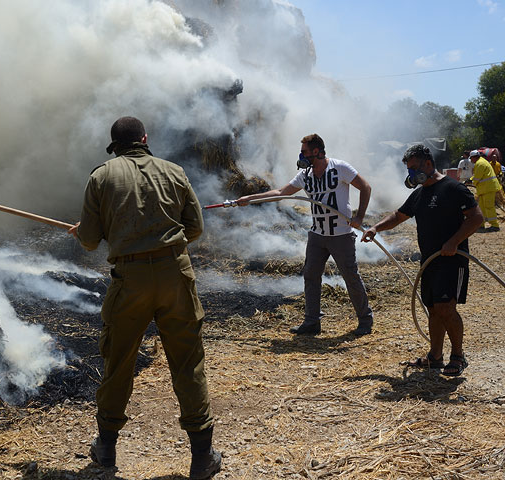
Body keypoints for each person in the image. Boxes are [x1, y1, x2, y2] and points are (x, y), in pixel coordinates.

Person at [69, 116, 221, 479]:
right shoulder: (174, 171)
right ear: (145, 139)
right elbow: (195, 228)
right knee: (187, 361)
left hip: (130, 280)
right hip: (174, 274)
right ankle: (202, 457)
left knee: (119, 360)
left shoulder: (101, 177)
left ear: (114, 145)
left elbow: (90, 239)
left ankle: (105, 449)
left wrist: (88, 232)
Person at [362, 144, 483, 376]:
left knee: (446, 308)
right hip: (429, 261)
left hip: (452, 259)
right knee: (433, 310)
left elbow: (476, 217)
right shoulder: (419, 194)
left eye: (414, 168)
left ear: (428, 164)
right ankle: (435, 357)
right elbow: (399, 215)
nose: (411, 174)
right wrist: (376, 228)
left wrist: (454, 241)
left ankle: (458, 356)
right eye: (408, 170)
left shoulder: (453, 188)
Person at [236, 133, 374, 336]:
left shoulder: (340, 168)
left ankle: (365, 320)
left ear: (317, 152)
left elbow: (365, 187)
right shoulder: (306, 175)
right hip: (317, 235)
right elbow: (281, 192)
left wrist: (359, 217)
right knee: (310, 275)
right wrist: (251, 198)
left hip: (341, 235)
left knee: (350, 276)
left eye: (304, 152)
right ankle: (312, 322)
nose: (301, 156)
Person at [470, 149, 501, 232]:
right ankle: (481, 225)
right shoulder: (481, 162)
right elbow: (478, 176)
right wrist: (470, 179)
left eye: (471, 158)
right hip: (485, 188)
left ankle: (495, 225)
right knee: (481, 208)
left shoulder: (480, 163)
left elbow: (477, 177)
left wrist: (471, 181)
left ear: (474, 157)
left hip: (488, 188)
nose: (470, 160)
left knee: (489, 206)